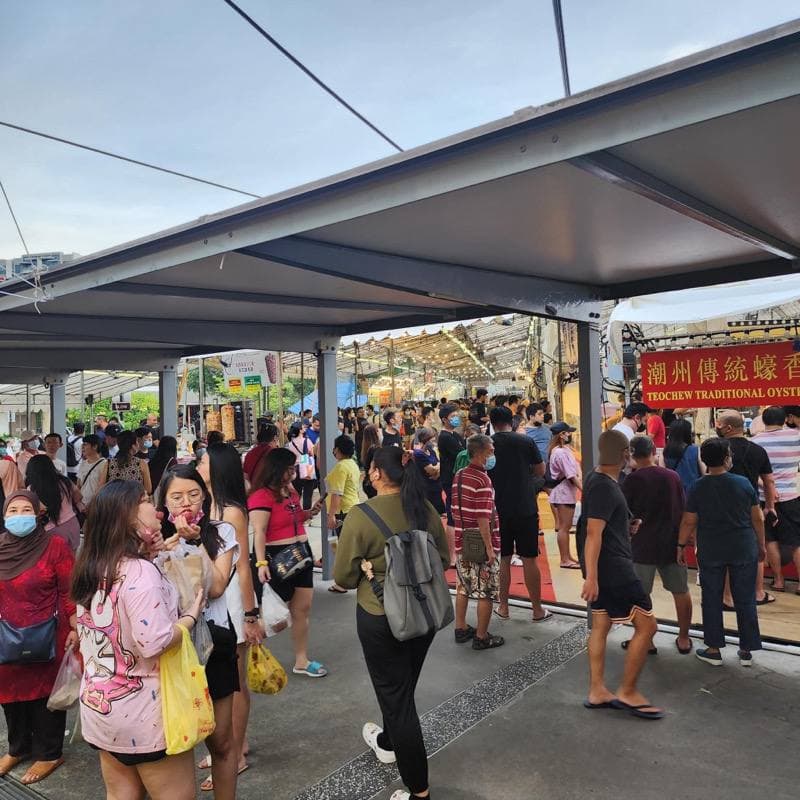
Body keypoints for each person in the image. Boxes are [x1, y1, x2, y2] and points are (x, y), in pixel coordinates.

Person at [73, 480, 204, 800]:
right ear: (129, 518)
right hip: (147, 718)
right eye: (146, 501)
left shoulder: (93, 566)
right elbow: (154, 642)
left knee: (120, 795)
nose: (156, 507)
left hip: (102, 711)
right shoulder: (140, 573)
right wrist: (189, 618)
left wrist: (155, 551)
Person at [334, 446, 449, 800]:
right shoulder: (424, 508)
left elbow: (343, 576)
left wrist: (374, 569)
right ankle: (386, 740)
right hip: (424, 615)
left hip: (380, 615)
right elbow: (443, 557)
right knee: (401, 689)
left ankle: (419, 791)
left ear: (377, 474)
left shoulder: (360, 515)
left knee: (399, 703)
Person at [158, 465, 240, 800]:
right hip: (171, 645)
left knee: (221, 740)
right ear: (163, 503)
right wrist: (160, 550)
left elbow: (218, 586)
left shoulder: (222, 532)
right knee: (175, 739)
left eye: (193, 494)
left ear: (205, 495)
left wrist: (195, 545)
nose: (186, 503)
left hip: (215, 642)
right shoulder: (154, 537)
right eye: (176, 497)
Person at [578, 430, 664, 720]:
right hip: (614, 567)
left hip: (606, 564)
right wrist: (591, 577)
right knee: (647, 626)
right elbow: (592, 533)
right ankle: (627, 691)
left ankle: (597, 690)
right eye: (626, 450)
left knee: (600, 625)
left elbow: (601, 525)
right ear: (623, 453)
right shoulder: (604, 485)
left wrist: (626, 527)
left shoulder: (596, 477)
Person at [196, 444, 264, 791]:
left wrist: (251, 615)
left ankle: (234, 753)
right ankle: (232, 744)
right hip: (215, 598)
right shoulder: (205, 504)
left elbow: (244, 568)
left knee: (234, 682)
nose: (199, 463)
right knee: (220, 679)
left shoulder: (231, 511)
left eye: (204, 460)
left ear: (218, 468)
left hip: (234, 599)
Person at [0, 490, 77, 785]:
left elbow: (69, 590)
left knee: (46, 695)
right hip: (6, 635)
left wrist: (74, 625)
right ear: (5, 515)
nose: (19, 516)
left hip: (47, 633)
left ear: (37, 514)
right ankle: (18, 748)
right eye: (13, 510)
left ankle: (49, 752)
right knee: (9, 693)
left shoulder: (54, 546)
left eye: (25, 510)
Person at [678, 438, 764, 666]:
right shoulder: (743, 483)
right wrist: (761, 545)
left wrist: (680, 546)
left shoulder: (697, 486)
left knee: (712, 597)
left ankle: (714, 649)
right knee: (745, 598)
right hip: (743, 546)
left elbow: (688, 521)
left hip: (711, 548)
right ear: (727, 458)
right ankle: (746, 650)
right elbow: (757, 518)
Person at [249, 449, 326, 677]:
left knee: (302, 610)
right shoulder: (260, 496)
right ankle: (245, 650)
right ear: (276, 469)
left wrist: (309, 512)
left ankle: (301, 660)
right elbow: (260, 532)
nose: (293, 472)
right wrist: (261, 563)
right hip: (277, 558)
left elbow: (294, 518)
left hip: (302, 554)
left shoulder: (289, 491)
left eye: (294, 468)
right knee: (276, 618)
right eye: (289, 468)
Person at [622, 436, 691, 654]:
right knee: (681, 591)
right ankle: (683, 637)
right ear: (654, 451)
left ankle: (646, 640)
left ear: (632, 454)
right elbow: (683, 510)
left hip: (642, 545)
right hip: (672, 542)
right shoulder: (672, 477)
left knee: (640, 595)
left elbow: (626, 514)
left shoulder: (632, 480)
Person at [488, 407, 549, 622]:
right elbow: (541, 470)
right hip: (525, 506)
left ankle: (503, 607)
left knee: (503, 558)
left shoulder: (487, 444)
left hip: (498, 508)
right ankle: (537, 609)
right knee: (529, 558)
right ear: (511, 422)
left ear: (492, 422)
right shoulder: (525, 442)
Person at [715, 410, 776, 606]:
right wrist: (770, 507)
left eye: (719, 424)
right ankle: (758, 593)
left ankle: (727, 597)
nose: (717, 427)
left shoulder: (719, 449)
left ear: (728, 427)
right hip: (752, 506)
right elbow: (768, 481)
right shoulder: (758, 450)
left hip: (723, 507)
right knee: (757, 550)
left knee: (725, 552)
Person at [451, 434, 504, 650]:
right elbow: (483, 517)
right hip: (481, 544)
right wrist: (490, 549)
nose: (493, 454)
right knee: (486, 592)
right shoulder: (483, 480)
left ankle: (461, 627)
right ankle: (482, 637)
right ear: (480, 453)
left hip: (462, 540)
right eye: (491, 450)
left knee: (463, 587)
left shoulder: (460, 475)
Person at [752, 406, 800, 593]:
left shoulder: (755, 441)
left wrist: (767, 486)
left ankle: (778, 580)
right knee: (796, 541)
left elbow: (754, 472)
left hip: (764, 497)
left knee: (769, 540)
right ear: (785, 419)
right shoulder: (795, 436)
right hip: (790, 496)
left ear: (763, 421)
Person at [325, 435, 361, 593]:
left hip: (342, 511)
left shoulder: (340, 467)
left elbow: (336, 494)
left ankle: (342, 582)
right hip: (352, 507)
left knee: (342, 548)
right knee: (346, 546)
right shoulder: (352, 464)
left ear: (337, 449)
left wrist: (331, 515)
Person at [25, 455, 83, 552]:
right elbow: (79, 497)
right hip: (72, 524)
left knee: (53, 563)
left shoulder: (31, 489)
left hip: (50, 530)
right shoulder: (65, 481)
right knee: (71, 560)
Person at [547, 422, 582, 568]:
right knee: (564, 527)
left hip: (566, 493)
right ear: (561, 435)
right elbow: (570, 475)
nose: (570, 435)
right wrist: (583, 489)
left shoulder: (562, 450)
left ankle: (568, 556)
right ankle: (564, 559)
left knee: (565, 527)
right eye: (567, 432)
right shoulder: (560, 453)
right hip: (563, 493)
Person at [437, 403, 465, 566]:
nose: (456, 418)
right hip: (450, 480)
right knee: (452, 517)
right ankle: (452, 556)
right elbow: (462, 455)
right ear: (444, 419)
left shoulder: (455, 435)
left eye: (457, 415)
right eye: (453, 416)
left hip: (458, 478)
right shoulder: (445, 437)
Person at [663, 419, 704, 494]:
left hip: (673, 493)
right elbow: (704, 473)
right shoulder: (696, 450)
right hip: (693, 493)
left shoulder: (665, 453)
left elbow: (663, 476)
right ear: (687, 434)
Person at [107, 431, 153, 498]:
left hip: (114, 504)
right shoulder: (141, 463)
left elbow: (101, 487)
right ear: (133, 446)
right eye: (137, 442)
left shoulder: (109, 463)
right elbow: (148, 489)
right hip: (135, 504)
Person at [412, 427, 445, 515]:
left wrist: (437, 469)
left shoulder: (430, 450)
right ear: (426, 439)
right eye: (432, 438)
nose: (434, 440)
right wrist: (437, 468)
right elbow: (431, 471)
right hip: (427, 489)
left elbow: (438, 467)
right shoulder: (418, 453)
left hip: (437, 486)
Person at [286, 424, 317, 510]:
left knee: (296, 494)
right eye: (302, 427)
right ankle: (307, 516)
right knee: (308, 493)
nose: (304, 428)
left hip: (295, 470)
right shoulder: (307, 441)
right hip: (307, 468)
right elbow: (312, 454)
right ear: (300, 430)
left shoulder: (289, 444)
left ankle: (295, 512)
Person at [76, 435, 108, 506]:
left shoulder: (104, 464)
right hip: (82, 505)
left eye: (85, 444)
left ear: (95, 447)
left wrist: (91, 505)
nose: (82, 447)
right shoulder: (83, 463)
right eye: (82, 444)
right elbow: (78, 485)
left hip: (96, 505)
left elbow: (102, 488)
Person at [360, 424, 383, 499]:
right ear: (375, 433)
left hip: (367, 482)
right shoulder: (375, 449)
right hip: (374, 483)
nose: (380, 432)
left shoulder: (366, 448)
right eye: (377, 431)